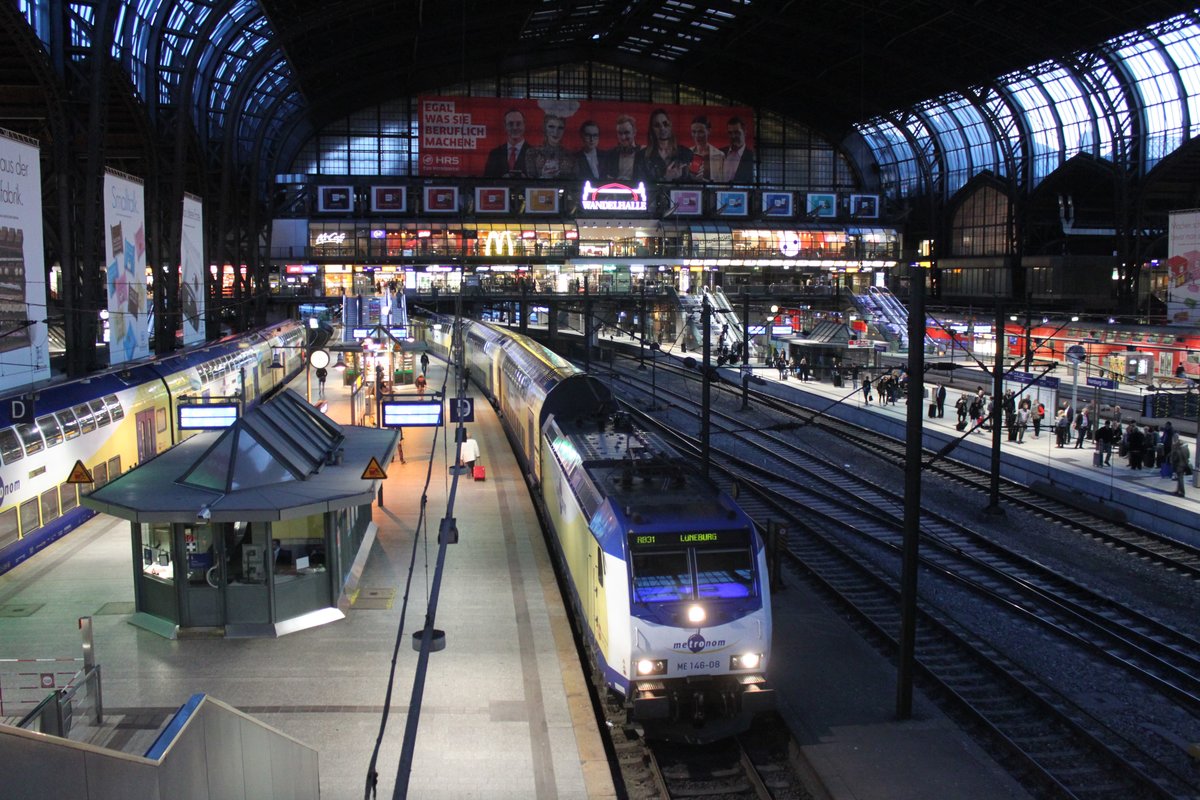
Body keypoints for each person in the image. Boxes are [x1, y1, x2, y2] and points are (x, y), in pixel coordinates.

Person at [643, 108, 692, 183]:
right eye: (657, 125)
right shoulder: (642, 156)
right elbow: (640, 187)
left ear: (670, 126)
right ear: (652, 129)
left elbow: (691, 186)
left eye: (665, 124)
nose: (662, 128)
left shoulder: (686, 153)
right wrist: (666, 179)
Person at [483, 108, 529, 177]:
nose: (515, 128)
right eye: (510, 124)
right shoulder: (494, 154)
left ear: (524, 125)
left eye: (518, 124)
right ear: (505, 126)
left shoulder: (535, 153)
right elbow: (486, 181)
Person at [526, 112, 573, 179]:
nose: (556, 132)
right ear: (545, 128)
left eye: (560, 128)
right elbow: (529, 182)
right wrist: (543, 177)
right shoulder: (532, 153)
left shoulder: (570, 156)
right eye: (551, 127)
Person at [603, 114, 648, 181]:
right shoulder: (610, 154)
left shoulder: (644, 153)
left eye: (626, 133)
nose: (623, 137)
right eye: (620, 133)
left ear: (634, 132)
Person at [686, 114, 724, 182]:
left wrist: (702, 180)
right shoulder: (686, 153)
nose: (697, 135)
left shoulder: (720, 155)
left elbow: (722, 183)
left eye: (700, 132)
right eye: (694, 132)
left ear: (709, 131)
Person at [721, 116, 755, 182]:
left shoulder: (751, 156)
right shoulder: (719, 152)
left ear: (745, 132)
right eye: (730, 133)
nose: (733, 136)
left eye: (737, 132)